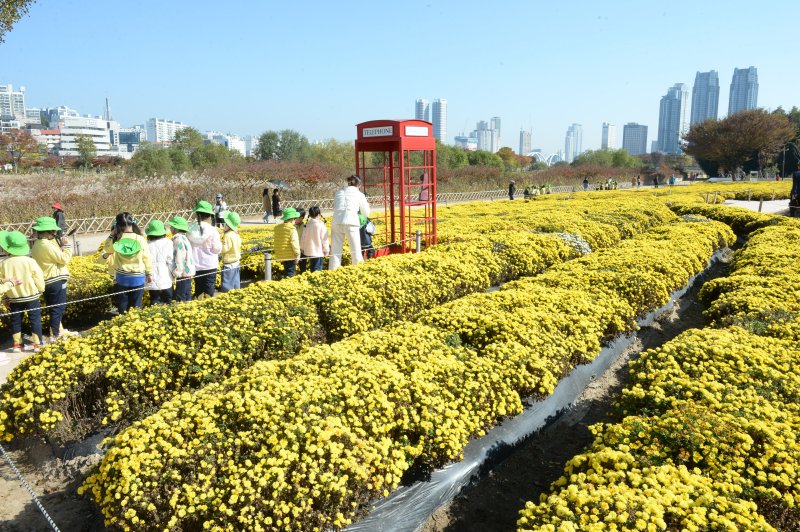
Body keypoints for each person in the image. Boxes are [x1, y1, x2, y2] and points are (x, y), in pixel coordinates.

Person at [31, 216, 75, 342]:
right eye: (53, 232)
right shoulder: (46, 245)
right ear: (46, 232)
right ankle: (55, 335)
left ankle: (58, 330)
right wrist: (67, 246)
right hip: (55, 280)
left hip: (47, 280)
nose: (55, 234)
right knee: (58, 308)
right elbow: (64, 259)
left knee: (53, 307)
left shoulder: (37, 245)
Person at [1, 230, 45, 351]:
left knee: (16, 321)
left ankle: (17, 345)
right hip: (31, 296)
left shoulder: (4, 264)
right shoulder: (30, 261)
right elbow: (39, 277)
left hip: (14, 298)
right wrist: (41, 290)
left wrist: (5, 297)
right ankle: (38, 344)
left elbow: (3, 282)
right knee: (35, 319)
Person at [102, 213, 153, 314]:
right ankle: (135, 324)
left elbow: (107, 250)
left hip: (122, 276)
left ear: (117, 225)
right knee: (137, 303)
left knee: (123, 303)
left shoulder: (117, 239)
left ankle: (123, 321)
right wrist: (149, 273)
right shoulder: (140, 239)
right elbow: (146, 258)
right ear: (132, 223)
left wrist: (111, 234)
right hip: (138, 275)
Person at [329, 174, 370, 270]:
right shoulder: (359, 194)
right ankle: (358, 271)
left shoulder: (338, 192)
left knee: (335, 251)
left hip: (336, 221)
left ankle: (333, 272)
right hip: (351, 221)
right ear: (359, 185)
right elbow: (366, 212)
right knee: (355, 251)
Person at [187, 201, 222, 300]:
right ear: (209, 216)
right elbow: (217, 249)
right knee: (209, 289)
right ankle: (208, 307)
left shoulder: (190, 229)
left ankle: (198, 305)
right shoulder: (212, 230)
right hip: (210, 265)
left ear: (197, 214)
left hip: (196, 266)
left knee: (199, 289)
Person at [144, 220, 174, 305]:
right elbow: (170, 259)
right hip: (165, 273)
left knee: (154, 298)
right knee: (168, 297)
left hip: (151, 274)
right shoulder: (168, 242)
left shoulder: (146, 244)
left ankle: (155, 314)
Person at [166, 216, 194, 302]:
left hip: (182, 273)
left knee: (181, 296)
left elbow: (179, 256)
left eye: (171, 227)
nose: (170, 228)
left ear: (176, 228)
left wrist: (177, 271)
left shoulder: (177, 240)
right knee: (187, 295)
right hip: (188, 271)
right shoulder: (184, 238)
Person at [299, 205, 329, 272]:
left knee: (312, 267)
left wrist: (302, 248)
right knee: (317, 269)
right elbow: (324, 239)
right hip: (318, 251)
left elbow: (303, 238)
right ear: (319, 214)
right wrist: (326, 249)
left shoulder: (307, 224)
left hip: (309, 251)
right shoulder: (321, 225)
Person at [274, 207, 301, 277]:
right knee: (290, 273)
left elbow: (276, 241)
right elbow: (294, 242)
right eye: (295, 218)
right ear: (292, 219)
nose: (295, 220)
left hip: (281, 255)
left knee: (286, 271)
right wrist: (298, 254)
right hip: (290, 255)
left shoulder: (277, 228)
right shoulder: (292, 229)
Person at [219, 211, 242, 292]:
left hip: (229, 264)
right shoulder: (236, 234)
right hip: (236, 262)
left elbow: (224, 249)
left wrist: (219, 244)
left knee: (227, 287)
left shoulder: (228, 236)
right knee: (236, 285)